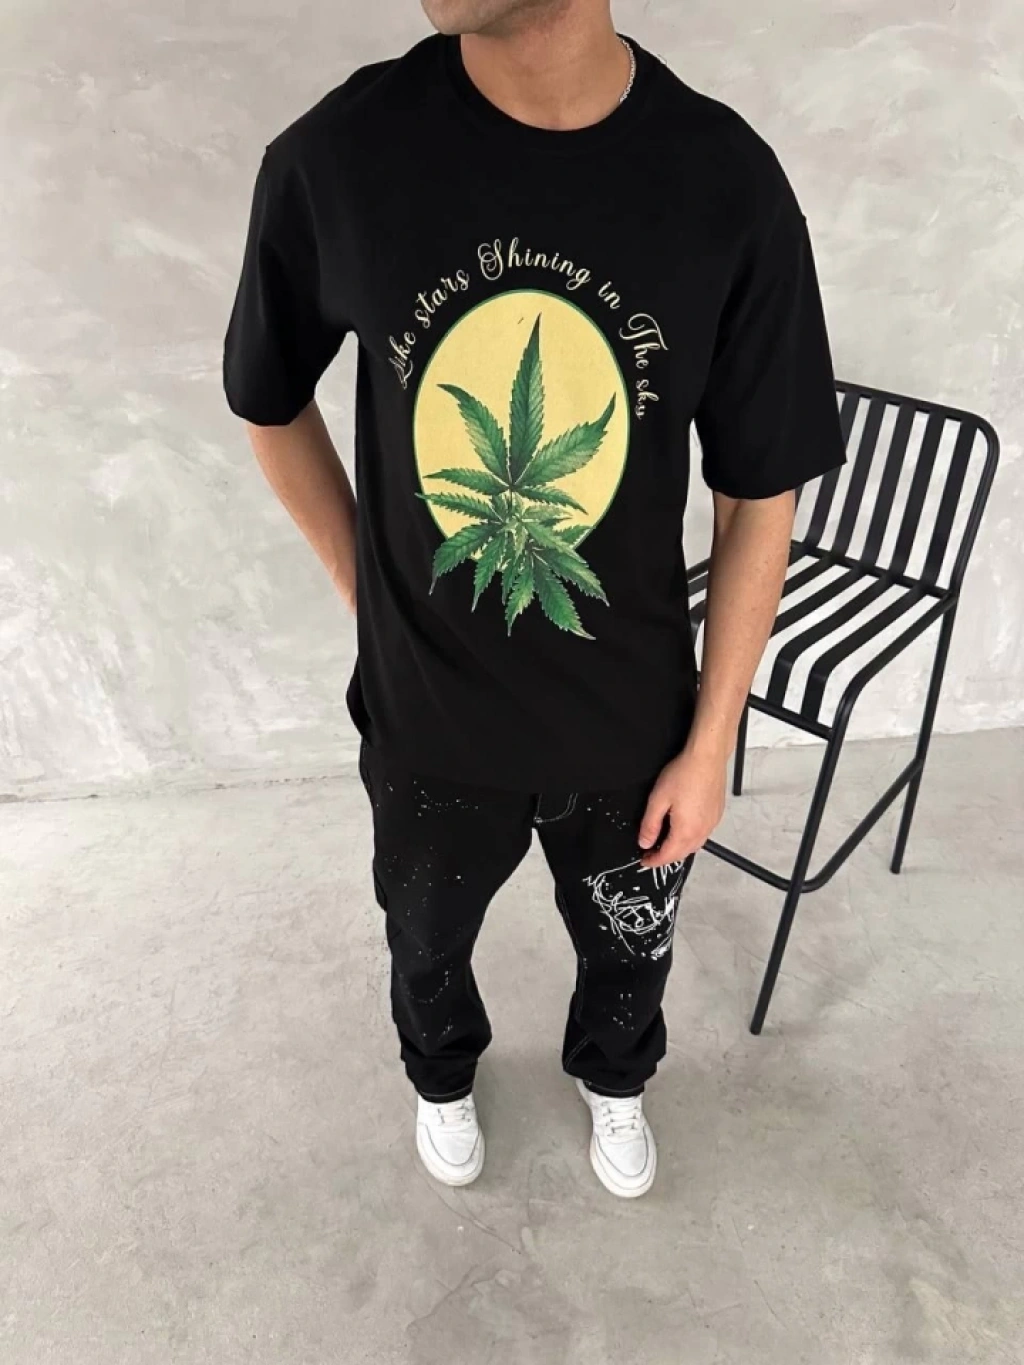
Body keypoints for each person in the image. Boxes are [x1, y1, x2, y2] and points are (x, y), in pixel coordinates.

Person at [223, 0, 845, 1199]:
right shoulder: (340, 159)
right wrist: (370, 595)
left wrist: (712, 742)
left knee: (630, 945)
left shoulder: (724, 184)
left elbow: (756, 492)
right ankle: (440, 1074)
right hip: (427, 719)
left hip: (634, 720)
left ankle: (615, 1075)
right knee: (424, 940)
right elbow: (268, 398)